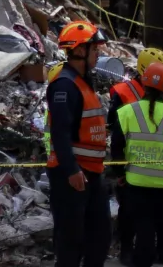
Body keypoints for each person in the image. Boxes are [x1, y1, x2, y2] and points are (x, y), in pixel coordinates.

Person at [110, 62, 163, 267]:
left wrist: (120, 173)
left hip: (137, 186)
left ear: (144, 85)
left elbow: (116, 147)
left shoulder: (127, 113)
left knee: (144, 235)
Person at [45, 21, 110, 267]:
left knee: (99, 237)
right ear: (80, 50)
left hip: (91, 174)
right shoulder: (64, 85)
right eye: (95, 49)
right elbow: (60, 133)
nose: (98, 54)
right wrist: (71, 169)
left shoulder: (83, 81)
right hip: (71, 175)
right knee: (71, 241)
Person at [109, 48, 163, 264]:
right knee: (130, 213)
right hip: (134, 165)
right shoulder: (122, 91)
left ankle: (150, 252)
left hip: (155, 166)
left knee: (155, 218)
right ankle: (127, 249)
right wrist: (119, 168)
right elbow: (115, 130)